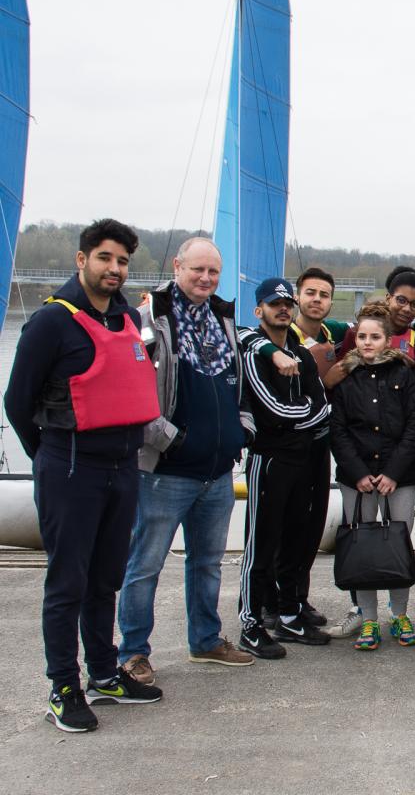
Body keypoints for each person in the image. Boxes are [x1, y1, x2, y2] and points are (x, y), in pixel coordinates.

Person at [4, 219, 163, 731]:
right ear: (82, 259)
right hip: (71, 465)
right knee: (68, 582)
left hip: (123, 466)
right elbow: (17, 401)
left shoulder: (126, 318)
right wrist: (49, 457)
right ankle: (63, 687)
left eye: (122, 261)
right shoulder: (52, 322)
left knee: (105, 577)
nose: (115, 269)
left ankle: (104, 673)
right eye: (105, 258)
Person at [116, 236, 254, 688]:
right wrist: (169, 441)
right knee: (145, 565)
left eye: (213, 272)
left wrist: (242, 429)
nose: (206, 278)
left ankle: (206, 640)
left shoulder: (223, 318)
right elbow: (131, 391)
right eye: (198, 269)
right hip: (165, 471)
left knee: (208, 563)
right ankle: (133, 652)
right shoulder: (146, 318)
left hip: (217, 470)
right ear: (177, 266)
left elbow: (238, 384)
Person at [239, 267, 351, 633]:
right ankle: (261, 610)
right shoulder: (254, 345)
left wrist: (308, 412)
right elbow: (275, 412)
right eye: (309, 293)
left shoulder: (315, 343)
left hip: (311, 452)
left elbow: (319, 403)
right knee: (265, 537)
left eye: (324, 294)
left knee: (303, 531)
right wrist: (308, 411)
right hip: (272, 455)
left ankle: (293, 603)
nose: (315, 300)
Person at [328, 302, 415, 650]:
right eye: (362, 337)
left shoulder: (402, 374)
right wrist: (357, 473)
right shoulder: (346, 377)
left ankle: (399, 613)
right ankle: (368, 618)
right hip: (357, 479)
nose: (368, 343)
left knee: (399, 545)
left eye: (375, 337)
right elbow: (338, 429)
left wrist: (393, 472)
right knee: (362, 548)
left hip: (400, 477)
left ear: (387, 340)